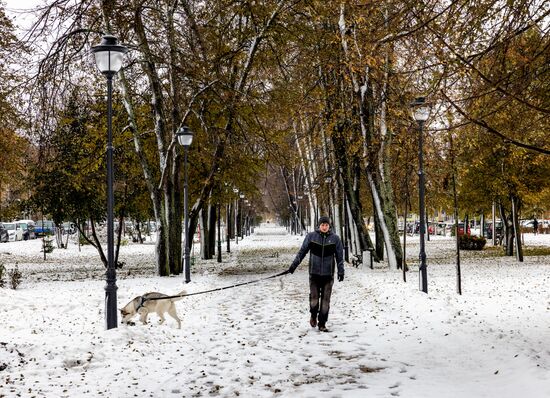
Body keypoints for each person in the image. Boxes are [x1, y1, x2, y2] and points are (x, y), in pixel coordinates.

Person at [287, 216, 344, 332]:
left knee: (325, 300)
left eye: (326, 225)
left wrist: (341, 271)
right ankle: (313, 315)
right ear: (319, 226)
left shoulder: (335, 239)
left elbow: (339, 256)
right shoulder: (311, 237)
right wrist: (293, 266)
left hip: (328, 275)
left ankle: (322, 323)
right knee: (314, 299)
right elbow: (302, 252)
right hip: (314, 273)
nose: (324, 227)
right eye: (322, 225)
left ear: (329, 226)